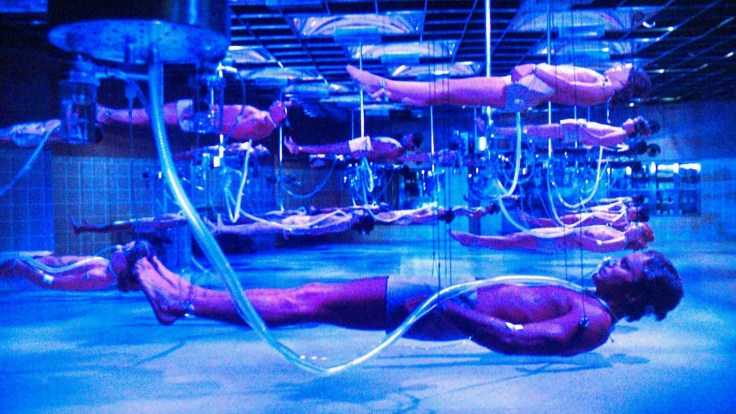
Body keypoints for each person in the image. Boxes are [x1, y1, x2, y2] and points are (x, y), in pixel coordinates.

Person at [133, 248, 682, 356]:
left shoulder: (592, 322)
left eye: (623, 266)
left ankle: (181, 299)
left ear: (634, 292)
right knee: (313, 298)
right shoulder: (589, 300)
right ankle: (185, 295)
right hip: (449, 297)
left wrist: (450, 308)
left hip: (444, 306)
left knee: (310, 301)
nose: (612, 262)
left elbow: (516, 341)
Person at [347, 62, 651, 111]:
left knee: (446, 87)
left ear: (627, 80)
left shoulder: (603, 89)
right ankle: (389, 92)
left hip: (525, 89)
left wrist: (535, 68)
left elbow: (564, 85)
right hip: (526, 91)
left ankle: (381, 83)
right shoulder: (603, 87)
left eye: (625, 68)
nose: (619, 65)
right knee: (447, 93)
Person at [96, 100, 291, 141]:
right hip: (200, 113)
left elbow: (230, 129)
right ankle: (110, 115)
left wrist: (199, 117)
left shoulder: (259, 121)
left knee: (153, 114)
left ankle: (106, 113)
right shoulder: (264, 121)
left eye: (281, 107)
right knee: (153, 115)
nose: (278, 102)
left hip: (198, 116)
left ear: (280, 117)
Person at [0, 240, 155, 292]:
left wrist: (22, 269)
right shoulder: (106, 266)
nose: (118, 247)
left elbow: (52, 283)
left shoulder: (99, 277)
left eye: (124, 250)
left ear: (128, 266)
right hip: (32, 262)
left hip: (24, 270)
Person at [449, 222, 655, 253]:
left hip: (561, 240)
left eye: (636, 227)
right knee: (515, 238)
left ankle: (471, 239)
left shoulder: (621, 241)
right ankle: (472, 239)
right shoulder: (619, 234)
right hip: (563, 235)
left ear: (638, 236)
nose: (632, 225)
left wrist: (577, 236)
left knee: (514, 241)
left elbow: (598, 246)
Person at [493, 117, 660, 147]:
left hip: (575, 131)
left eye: (632, 120)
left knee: (533, 130)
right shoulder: (620, 132)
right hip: (576, 130)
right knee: (534, 130)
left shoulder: (621, 135)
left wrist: (582, 129)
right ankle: (498, 131)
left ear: (633, 128)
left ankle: (497, 131)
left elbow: (599, 141)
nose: (628, 119)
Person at [204, 210, 374, 237]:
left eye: (362, 213)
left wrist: (294, 231)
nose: (359, 211)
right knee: (260, 222)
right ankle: (221, 226)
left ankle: (221, 229)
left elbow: (317, 230)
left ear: (360, 220)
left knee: (256, 228)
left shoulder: (344, 222)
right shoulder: (344, 218)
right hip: (296, 221)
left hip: (295, 225)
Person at [284, 132, 429, 164]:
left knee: (329, 148)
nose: (405, 137)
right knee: (328, 148)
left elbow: (379, 155)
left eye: (409, 138)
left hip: (363, 147)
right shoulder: (398, 147)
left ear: (412, 144)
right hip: (363, 144)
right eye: (407, 135)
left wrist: (362, 153)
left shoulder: (398, 150)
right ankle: (297, 148)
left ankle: (297, 148)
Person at [516, 203, 649, 232]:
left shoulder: (623, 222)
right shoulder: (622, 212)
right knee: (556, 221)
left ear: (636, 214)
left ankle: (529, 220)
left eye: (635, 209)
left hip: (585, 223)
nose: (633, 207)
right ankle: (530, 219)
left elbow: (607, 225)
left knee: (556, 224)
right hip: (585, 217)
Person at [70, 214, 187, 235]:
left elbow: (166, 218)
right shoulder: (171, 222)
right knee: (108, 227)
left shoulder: (169, 222)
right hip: (135, 224)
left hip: (134, 225)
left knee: (108, 227)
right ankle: (86, 227)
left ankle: (81, 228)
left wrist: (179, 218)